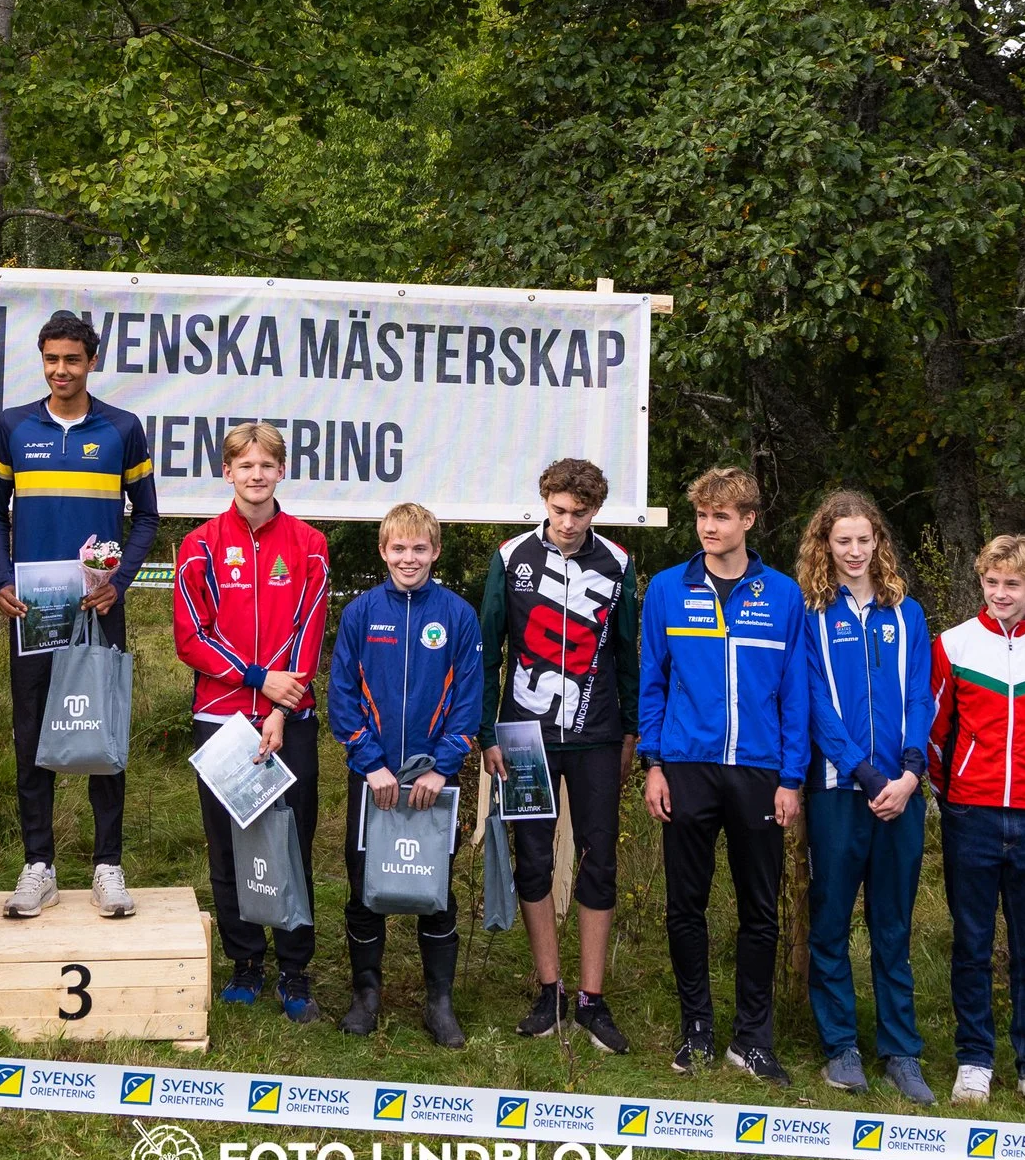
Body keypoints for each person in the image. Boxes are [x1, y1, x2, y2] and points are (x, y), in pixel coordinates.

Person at [0, 309, 161, 919]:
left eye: (73, 359)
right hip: (33, 608)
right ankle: (39, 865)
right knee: (31, 734)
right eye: (52, 359)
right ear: (42, 360)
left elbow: (148, 519)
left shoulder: (122, 429)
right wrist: (3, 580)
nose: (62, 370)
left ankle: (108, 866)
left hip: (97, 607)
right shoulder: (11, 427)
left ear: (91, 362)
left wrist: (120, 583)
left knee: (101, 733)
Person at [637, 467, 809, 1085]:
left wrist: (792, 778)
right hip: (685, 766)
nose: (710, 528)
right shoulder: (665, 589)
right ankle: (697, 1029)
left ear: (748, 521)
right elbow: (651, 681)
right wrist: (652, 764)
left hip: (760, 772)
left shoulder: (784, 595)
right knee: (687, 904)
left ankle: (752, 1038)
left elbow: (796, 693)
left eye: (722, 517)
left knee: (759, 908)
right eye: (702, 516)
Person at [478, 457, 638, 1055]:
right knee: (533, 859)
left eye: (579, 512)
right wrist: (484, 730)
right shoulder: (512, 557)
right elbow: (486, 644)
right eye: (558, 509)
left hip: (596, 735)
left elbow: (628, 653)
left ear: (596, 510)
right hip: (523, 734)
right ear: (544, 500)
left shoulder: (617, 563)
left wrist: (630, 734)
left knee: (600, 861)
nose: (567, 522)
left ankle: (592, 1000)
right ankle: (549, 991)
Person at [171, 422, 330, 1022]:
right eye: (245, 466)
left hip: (292, 718)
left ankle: (293, 968)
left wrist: (281, 707)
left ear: (281, 471)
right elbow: (191, 636)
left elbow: (308, 631)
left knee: (291, 839)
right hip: (221, 718)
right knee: (229, 841)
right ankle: (245, 962)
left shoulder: (310, 544)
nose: (256, 475)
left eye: (267, 465)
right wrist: (257, 680)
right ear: (227, 472)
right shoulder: (200, 546)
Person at [796, 490, 937, 1103]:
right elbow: (817, 707)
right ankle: (841, 1046)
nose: (854, 551)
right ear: (825, 545)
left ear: (878, 542)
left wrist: (908, 774)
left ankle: (901, 1052)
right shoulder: (811, 612)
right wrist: (865, 774)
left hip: (902, 793)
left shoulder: (906, 613)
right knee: (829, 925)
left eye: (864, 539)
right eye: (842, 540)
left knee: (892, 925)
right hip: (839, 792)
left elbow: (920, 697)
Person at [929, 533, 1025, 1117]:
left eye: (1013, 584)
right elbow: (938, 730)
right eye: (991, 583)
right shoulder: (955, 644)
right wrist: (954, 793)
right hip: (970, 811)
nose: (1000, 595)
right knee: (971, 942)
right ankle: (975, 1061)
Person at [329, 502, 481, 1047]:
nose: (409, 558)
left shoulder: (459, 616)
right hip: (373, 778)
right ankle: (365, 995)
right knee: (364, 877)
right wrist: (369, 763)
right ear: (383, 551)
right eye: (399, 548)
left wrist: (443, 767)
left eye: (420, 549)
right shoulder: (361, 613)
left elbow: (468, 698)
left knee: (433, 884)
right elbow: (342, 694)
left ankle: (438, 1001)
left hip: (435, 782)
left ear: (435, 552)